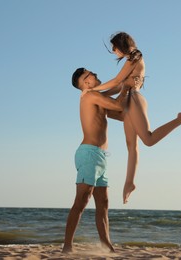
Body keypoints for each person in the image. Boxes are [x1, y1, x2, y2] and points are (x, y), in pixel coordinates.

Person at [82, 32, 181, 204]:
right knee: (131, 146)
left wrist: (92, 91)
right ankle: (129, 183)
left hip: (133, 99)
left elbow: (116, 80)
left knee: (148, 140)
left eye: (114, 47)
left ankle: (179, 119)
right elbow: (118, 86)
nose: (113, 51)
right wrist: (96, 96)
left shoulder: (136, 55)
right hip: (128, 100)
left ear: (122, 44)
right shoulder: (131, 59)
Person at [62, 68, 127, 253]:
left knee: (103, 204)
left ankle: (106, 245)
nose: (94, 74)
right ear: (85, 83)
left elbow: (116, 94)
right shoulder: (89, 96)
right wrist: (125, 89)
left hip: (101, 157)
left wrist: (128, 86)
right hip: (89, 154)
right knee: (81, 201)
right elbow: (118, 105)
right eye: (88, 75)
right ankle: (67, 246)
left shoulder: (97, 96)